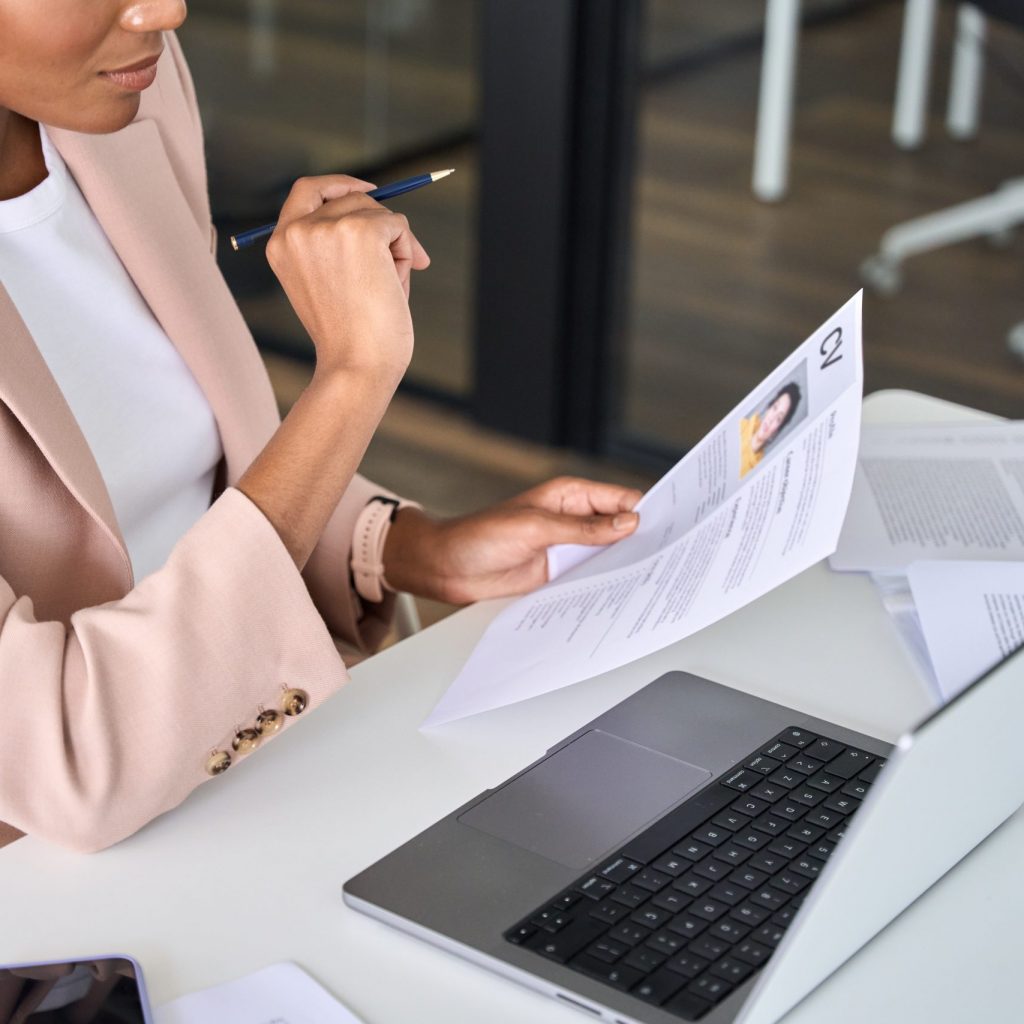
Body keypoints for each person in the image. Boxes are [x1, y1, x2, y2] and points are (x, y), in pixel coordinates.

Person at [0, 0, 642, 852]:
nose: (167, 10)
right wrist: (352, 376)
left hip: (263, 770)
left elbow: (198, 468)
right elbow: (73, 764)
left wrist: (414, 548)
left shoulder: (129, 104)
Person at [738, 381, 801, 478]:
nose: (772, 419)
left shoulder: (759, 471)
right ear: (768, 408)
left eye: (779, 418)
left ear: (778, 429)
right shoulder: (741, 426)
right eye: (775, 407)